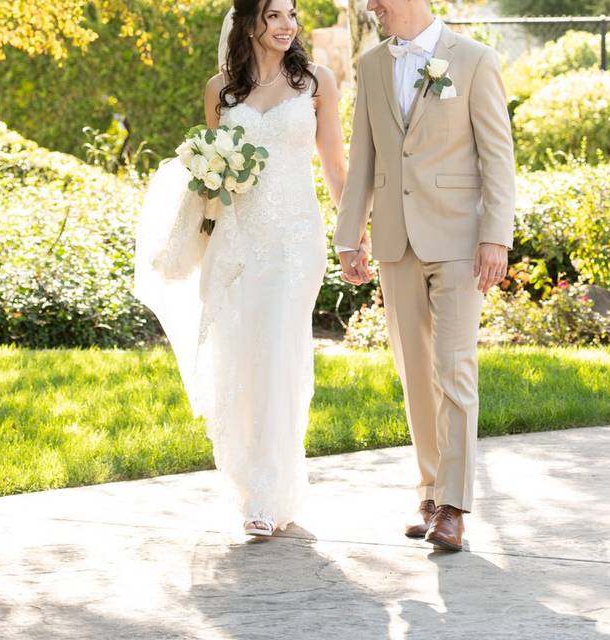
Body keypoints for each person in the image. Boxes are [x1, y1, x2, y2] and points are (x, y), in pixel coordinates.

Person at [135, 0, 358, 537]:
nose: (287, 25)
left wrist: (353, 235)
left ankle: (269, 492)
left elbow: (334, 163)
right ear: (249, 21)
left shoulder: (316, 81)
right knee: (241, 355)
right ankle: (249, 483)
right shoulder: (221, 91)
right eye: (275, 14)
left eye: (292, 14)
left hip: (294, 241)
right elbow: (212, 178)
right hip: (237, 239)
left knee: (280, 354)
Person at [334, 0, 516, 551]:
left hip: (460, 240)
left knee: (455, 370)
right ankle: (430, 493)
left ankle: (455, 508)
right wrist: (349, 237)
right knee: (416, 372)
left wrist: (496, 236)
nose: (371, 6)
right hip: (395, 239)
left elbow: (497, 156)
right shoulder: (370, 66)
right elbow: (361, 156)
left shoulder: (476, 59)